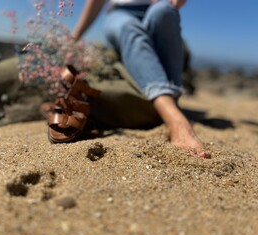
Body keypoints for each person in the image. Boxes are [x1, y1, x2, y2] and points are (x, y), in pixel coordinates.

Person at [72, 0, 209, 158]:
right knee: (129, 28)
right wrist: (75, 37)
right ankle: (175, 119)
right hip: (120, 13)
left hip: (155, 8)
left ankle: (170, 105)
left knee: (165, 11)